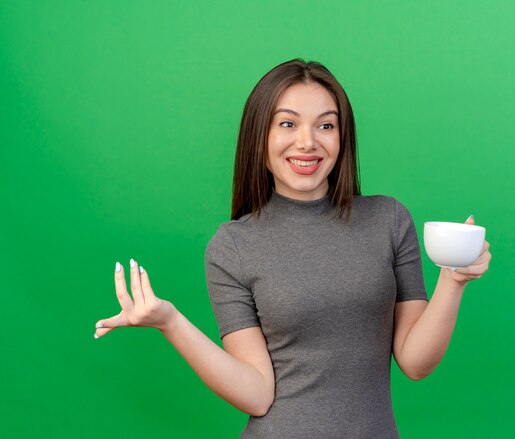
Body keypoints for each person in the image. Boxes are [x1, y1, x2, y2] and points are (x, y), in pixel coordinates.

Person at [94, 59, 492, 438]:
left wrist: (453, 279)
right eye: (287, 123)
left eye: (326, 125)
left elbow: (415, 361)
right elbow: (256, 393)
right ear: (260, 136)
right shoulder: (232, 247)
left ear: (342, 137)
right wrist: (171, 322)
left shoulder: (389, 221)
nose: (308, 142)